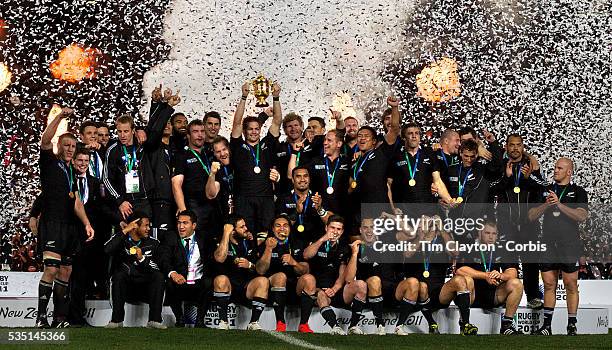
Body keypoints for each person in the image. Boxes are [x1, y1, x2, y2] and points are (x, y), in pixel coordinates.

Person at [36, 106, 95, 329]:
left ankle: (59, 318)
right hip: (52, 223)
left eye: (73, 146)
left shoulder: (73, 172)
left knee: (66, 271)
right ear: (59, 146)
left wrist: (87, 223)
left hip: (70, 227)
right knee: (51, 269)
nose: (70, 149)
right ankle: (41, 317)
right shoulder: (50, 162)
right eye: (66, 145)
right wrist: (60, 117)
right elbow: (45, 139)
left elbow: (77, 202)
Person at [528, 157, 588, 336]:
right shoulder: (545, 191)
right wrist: (546, 204)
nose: (555, 170)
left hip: (569, 244)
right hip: (547, 244)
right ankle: (546, 326)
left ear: (569, 172)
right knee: (548, 284)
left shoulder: (578, 192)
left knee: (571, 284)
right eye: (555, 167)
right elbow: (531, 215)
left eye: (560, 168)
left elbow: (581, 216)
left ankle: (572, 324)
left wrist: (559, 205)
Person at [398, 215, 478, 335]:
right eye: (423, 223)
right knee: (422, 286)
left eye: (430, 223)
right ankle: (431, 323)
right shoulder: (413, 239)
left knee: (462, 280)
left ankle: (465, 324)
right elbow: (407, 254)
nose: (427, 225)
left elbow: (455, 252)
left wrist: (442, 229)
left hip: (439, 292)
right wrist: (420, 237)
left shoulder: (442, 240)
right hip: (416, 291)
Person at [68, 148, 118, 326]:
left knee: (82, 276)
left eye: (86, 161)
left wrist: (118, 221)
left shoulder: (95, 183)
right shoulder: (68, 180)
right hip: (69, 234)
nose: (82, 164)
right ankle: (66, 315)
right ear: (73, 161)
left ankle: (77, 317)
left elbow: (103, 208)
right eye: (79, 160)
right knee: (70, 276)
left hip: (89, 238)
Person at [494, 133, 544, 309]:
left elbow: (542, 187)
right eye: (511, 145)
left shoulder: (531, 166)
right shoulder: (501, 166)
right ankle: (507, 295)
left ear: (523, 147)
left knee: (530, 261)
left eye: (518, 145)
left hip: (528, 224)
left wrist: (529, 177)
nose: (515, 148)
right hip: (506, 223)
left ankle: (533, 297)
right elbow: (493, 188)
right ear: (506, 147)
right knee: (508, 262)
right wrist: (507, 177)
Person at [230, 81, 282, 233]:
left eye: (257, 129)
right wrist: (244, 97)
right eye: (250, 129)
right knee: (245, 235)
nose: (254, 132)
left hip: (265, 198)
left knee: (265, 235)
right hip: (243, 198)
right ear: (245, 131)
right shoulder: (238, 146)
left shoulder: (267, 144)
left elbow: (277, 121)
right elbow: (237, 122)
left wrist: (276, 97)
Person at [301, 215, 367, 335]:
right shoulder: (317, 240)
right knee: (320, 294)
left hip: (336, 290)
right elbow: (306, 255)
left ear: (342, 231)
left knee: (361, 285)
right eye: (332, 228)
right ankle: (335, 327)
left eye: (338, 229)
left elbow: (345, 275)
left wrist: (335, 288)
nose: (335, 232)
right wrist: (323, 239)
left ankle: (353, 326)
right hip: (316, 289)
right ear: (326, 228)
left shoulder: (344, 246)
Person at [103, 211, 166, 329]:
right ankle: (116, 320)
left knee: (159, 277)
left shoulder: (154, 243)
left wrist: (142, 259)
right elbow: (107, 249)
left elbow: (158, 267)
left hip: (146, 289)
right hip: (126, 288)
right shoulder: (121, 240)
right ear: (135, 225)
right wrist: (125, 230)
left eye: (149, 226)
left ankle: (154, 320)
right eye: (146, 225)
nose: (148, 229)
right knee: (118, 275)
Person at [353, 218, 410, 335]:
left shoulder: (390, 246)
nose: (369, 230)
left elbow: (400, 271)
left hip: (391, 292)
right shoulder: (358, 248)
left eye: (372, 227)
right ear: (360, 230)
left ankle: (400, 326)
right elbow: (350, 278)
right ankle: (380, 325)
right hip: (369, 294)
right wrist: (354, 254)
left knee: (412, 282)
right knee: (375, 280)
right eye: (365, 227)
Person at [213, 216, 269, 330]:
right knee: (221, 279)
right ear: (232, 230)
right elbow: (219, 258)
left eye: (245, 225)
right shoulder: (219, 241)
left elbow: (259, 269)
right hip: (227, 287)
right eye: (242, 227)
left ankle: (253, 323)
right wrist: (226, 234)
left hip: (245, 287)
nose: (246, 228)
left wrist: (249, 265)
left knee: (263, 281)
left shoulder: (249, 242)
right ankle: (223, 322)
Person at [255, 214, 309, 332]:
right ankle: (280, 323)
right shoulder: (266, 243)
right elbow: (260, 270)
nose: (282, 229)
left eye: (285, 226)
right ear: (273, 229)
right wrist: (269, 249)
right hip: (271, 290)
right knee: (280, 276)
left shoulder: (297, 243)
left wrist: (294, 262)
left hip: (293, 288)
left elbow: (305, 270)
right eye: (278, 226)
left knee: (309, 279)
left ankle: (304, 324)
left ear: (290, 228)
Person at [160, 210, 214, 328]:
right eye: (179, 223)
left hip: (199, 282)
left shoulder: (204, 238)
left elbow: (211, 261)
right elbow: (164, 259)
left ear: (194, 225)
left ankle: (199, 321)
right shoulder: (170, 236)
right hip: (180, 281)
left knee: (209, 282)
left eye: (185, 223)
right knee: (169, 282)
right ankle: (180, 319)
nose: (181, 226)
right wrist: (173, 273)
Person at [172, 119, 220, 245]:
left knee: (211, 246)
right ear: (188, 135)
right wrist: (184, 213)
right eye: (195, 132)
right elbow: (176, 185)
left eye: (202, 131)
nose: (200, 135)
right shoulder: (181, 155)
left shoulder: (209, 154)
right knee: (195, 245)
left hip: (212, 208)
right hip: (193, 207)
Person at [276, 166, 330, 245]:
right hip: (291, 243)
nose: (302, 179)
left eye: (305, 176)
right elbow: (281, 229)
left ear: (309, 179)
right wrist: (296, 212)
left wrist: (319, 209)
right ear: (293, 180)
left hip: (315, 244)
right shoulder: (284, 199)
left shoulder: (318, 197)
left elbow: (331, 223)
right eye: (298, 176)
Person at [206, 136, 235, 219]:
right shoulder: (217, 169)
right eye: (218, 152)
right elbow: (211, 194)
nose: (222, 154)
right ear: (214, 154)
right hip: (224, 213)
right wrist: (212, 174)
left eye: (224, 149)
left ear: (229, 149)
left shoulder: (238, 162)